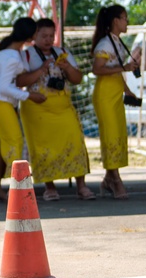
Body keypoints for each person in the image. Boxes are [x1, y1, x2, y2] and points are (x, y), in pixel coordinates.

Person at [15, 18, 95, 201]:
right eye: (44, 35)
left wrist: (67, 67)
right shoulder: (26, 55)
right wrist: (41, 70)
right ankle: (49, 187)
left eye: (51, 35)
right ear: (34, 36)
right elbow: (19, 81)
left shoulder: (62, 53)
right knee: (43, 148)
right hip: (38, 109)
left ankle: (81, 186)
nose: (48, 39)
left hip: (63, 107)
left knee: (75, 142)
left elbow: (77, 79)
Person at [0, 17, 46, 202]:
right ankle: (16, 189)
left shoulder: (8, 51)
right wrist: (29, 96)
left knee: (6, 142)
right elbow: (4, 87)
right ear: (31, 35)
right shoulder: (11, 56)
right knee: (15, 141)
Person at [91, 5, 139, 199]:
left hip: (115, 94)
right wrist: (125, 67)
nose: (127, 22)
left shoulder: (116, 42)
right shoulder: (105, 43)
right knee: (111, 136)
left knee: (118, 135)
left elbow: (118, 70)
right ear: (115, 21)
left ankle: (110, 178)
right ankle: (115, 179)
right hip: (105, 95)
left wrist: (127, 91)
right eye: (125, 18)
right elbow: (97, 69)